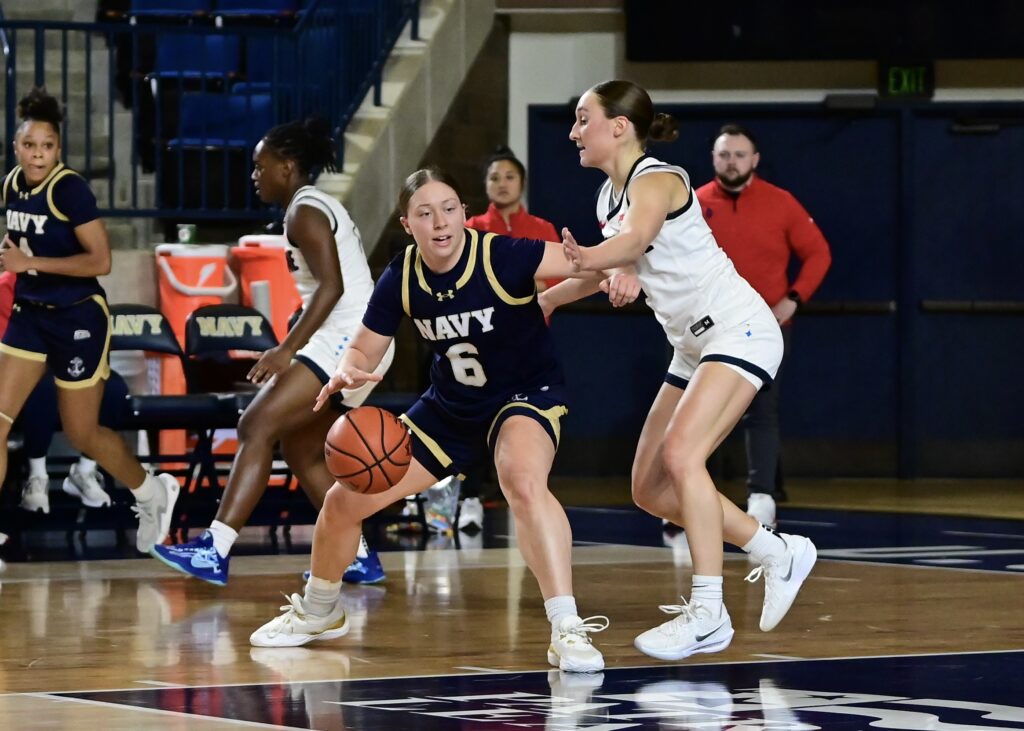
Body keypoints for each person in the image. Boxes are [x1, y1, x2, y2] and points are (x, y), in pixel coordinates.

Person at [248, 167, 639, 673]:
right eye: (425, 213)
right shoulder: (402, 275)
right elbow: (365, 347)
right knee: (344, 501)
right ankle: (320, 611)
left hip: (523, 395)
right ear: (407, 224)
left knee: (522, 479)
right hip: (450, 408)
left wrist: (618, 271)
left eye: (450, 208)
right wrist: (348, 368)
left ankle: (567, 626)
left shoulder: (501, 253)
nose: (440, 222)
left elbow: (586, 261)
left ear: (464, 214)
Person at [546, 79, 817, 661]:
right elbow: (604, 268)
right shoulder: (607, 197)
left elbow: (634, 241)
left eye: (583, 119)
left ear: (620, 126)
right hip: (691, 347)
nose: (573, 132)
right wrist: (545, 302)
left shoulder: (659, 178)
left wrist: (594, 256)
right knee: (648, 488)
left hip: (738, 329)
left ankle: (709, 611)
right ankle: (776, 551)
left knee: (682, 456)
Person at [152, 118, 394, 586]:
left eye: (260, 166)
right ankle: (356, 555)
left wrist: (286, 349)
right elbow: (332, 285)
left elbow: (333, 287)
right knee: (301, 450)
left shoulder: (304, 211)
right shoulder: (311, 207)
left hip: (348, 339)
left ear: (287, 166)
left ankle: (215, 548)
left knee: (255, 425)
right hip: (363, 340)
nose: (254, 175)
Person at [0, 87, 178, 553]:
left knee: (83, 431)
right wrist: (14, 257)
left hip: (77, 318)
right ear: (16, 147)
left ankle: (151, 492)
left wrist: (30, 264)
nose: (37, 154)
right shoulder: (11, 185)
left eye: (47, 146)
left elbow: (101, 261)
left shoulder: (70, 189)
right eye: (29, 145)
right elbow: (21, 245)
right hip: (30, 314)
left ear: (58, 149)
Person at [696, 125, 832, 528]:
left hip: (767, 326)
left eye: (740, 154)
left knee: (761, 409)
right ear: (713, 158)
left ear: (754, 160)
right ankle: (693, 491)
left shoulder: (781, 202)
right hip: (708, 326)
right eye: (724, 154)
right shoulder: (694, 203)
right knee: (697, 409)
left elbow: (818, 253)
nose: (731, 162)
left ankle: (762, 496)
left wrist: (793, 299)